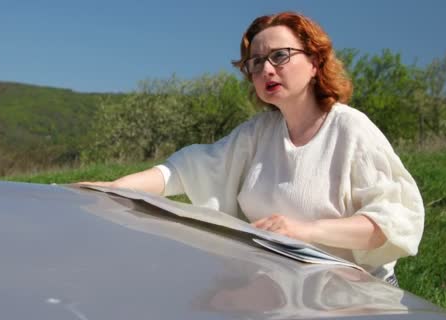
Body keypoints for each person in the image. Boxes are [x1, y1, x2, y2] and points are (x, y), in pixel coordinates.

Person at [81, 11, 424, 286]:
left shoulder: (350, 129)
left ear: (315, 61)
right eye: (255, 63)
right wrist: (111, 189)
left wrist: (302, 231)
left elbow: (389, 223)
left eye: (280, 56)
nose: (266, 69)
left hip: (353, 293)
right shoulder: (258, 133)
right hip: (279, 287)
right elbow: (183, 171)